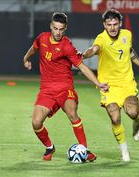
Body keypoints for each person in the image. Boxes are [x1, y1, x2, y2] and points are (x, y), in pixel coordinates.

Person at [23, 12, 108, 161]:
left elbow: (82, 67)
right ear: (51, 26)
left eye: (61, 29)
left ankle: (84, 150)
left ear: (65, 28)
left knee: (72, 113)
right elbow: (34, 48)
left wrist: (98, 83)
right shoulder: (42, 38)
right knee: (36, 122)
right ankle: (50, 147)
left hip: (64, 87)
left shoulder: (67, 46)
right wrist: (26, 58)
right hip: (46, 90)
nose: (58, 32)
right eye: (55, 28)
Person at [82, 9, 139, 162]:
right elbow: (93, 50)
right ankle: (124, 150)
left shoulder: (127, 35)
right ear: (104, 25)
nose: (112, 28)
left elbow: (130, 52)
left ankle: (137, 122)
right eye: (109, 25)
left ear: (120, 24)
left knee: (132, 113)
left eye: (115, 24)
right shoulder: (101, 39)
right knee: (115, 118)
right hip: (109, 86)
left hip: (127, 83)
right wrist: (84, 54)